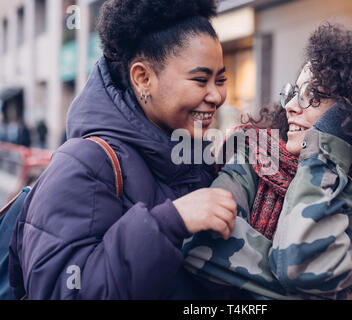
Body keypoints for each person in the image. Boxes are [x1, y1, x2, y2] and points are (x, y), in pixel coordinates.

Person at [183, 23, 352, 299]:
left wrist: (326, 148)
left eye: (314, 95)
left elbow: (301, 264)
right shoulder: (256, 155)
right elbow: (202, 250)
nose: (290, 106)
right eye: (294, 92)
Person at [8, 0, 238, 300]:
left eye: (220, 80)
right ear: (143, 78)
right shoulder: (83, 163)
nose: (216, 95)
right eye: (200, 79)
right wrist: (170, 222)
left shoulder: (195, 157)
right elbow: (62, 291)